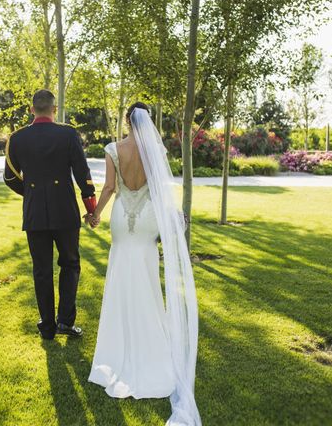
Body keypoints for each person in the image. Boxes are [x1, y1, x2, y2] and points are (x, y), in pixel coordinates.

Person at [88, 103, 202, 426]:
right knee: (149, 282)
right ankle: (152, 346)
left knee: (122, 275)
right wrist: (173, 219)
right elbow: (160, 190)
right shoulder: (155, 150)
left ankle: (119, 350)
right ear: (148, 121)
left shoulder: (114, 149)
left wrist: (96, 213)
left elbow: (110, 187)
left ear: (127, 119)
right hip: (150, 218)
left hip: (123, 218)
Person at [3, 89, 97, 340]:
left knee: (41, 270)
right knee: (70, 265)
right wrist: (91, 209)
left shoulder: (17, 138)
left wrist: (32, 194)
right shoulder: (68, 134)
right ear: (54, 110)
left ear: (32, 110)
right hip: (65, 211)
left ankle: (47, 326)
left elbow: (9, 177)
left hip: (34, 213)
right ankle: (65, 322)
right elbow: (82, 174)